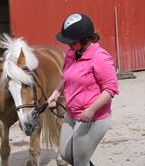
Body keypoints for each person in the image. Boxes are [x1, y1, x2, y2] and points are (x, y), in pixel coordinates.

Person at [47, 13, 119, 166]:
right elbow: (65, 77)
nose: (68, 45)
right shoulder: (71, 54)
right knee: (66, 154)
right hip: (71, 113)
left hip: (93, 117)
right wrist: (55, 94)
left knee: (79, 161)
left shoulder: (100, 58)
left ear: (85, 39)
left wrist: (92, 109)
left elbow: (110, 89)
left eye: (72, 42)